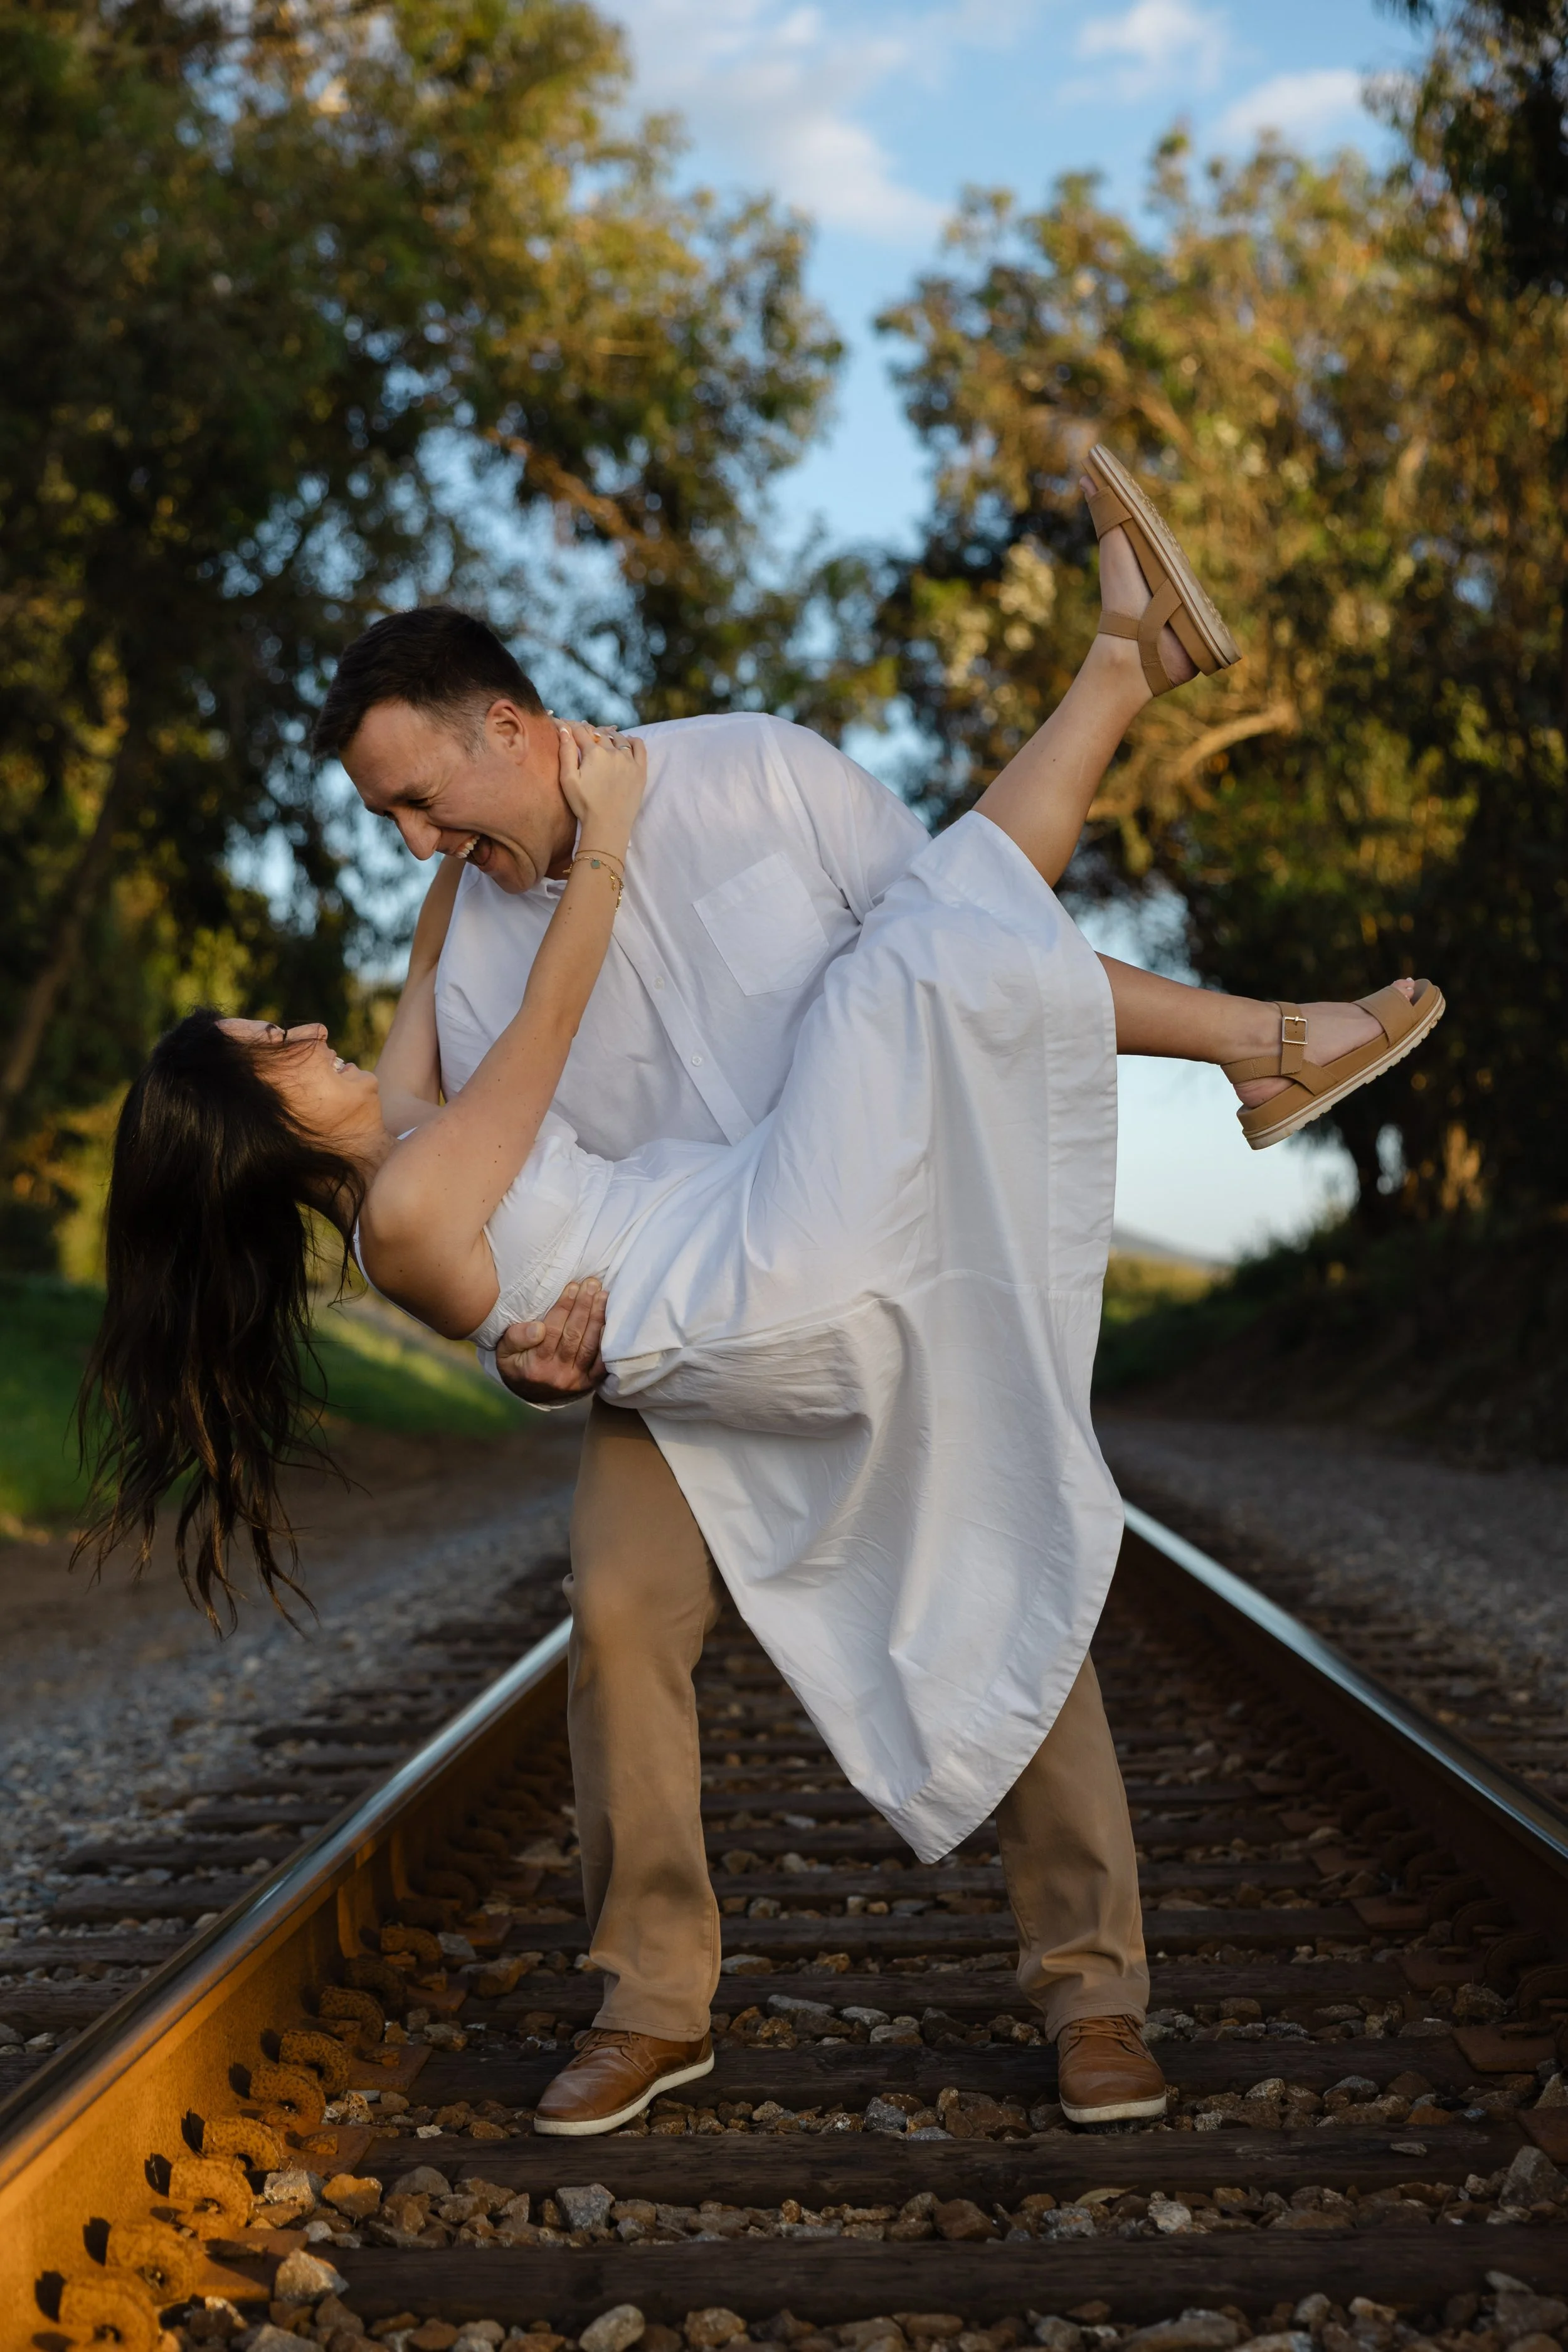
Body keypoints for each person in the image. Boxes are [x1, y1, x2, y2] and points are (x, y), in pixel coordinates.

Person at [82, 450, 1444, 2138]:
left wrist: (498, 881)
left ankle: (1092, 1991)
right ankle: (648, 2002)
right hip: (680, 1315)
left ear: (510, 724)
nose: (420, 845)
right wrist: (524, 1360)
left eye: (422, 801)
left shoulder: (752, 773)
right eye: (395, 825)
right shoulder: (485, 985)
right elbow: (495, 1188)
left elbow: (992, 951)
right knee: (618, 1608)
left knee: (1002, 1521)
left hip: (862, 1221)